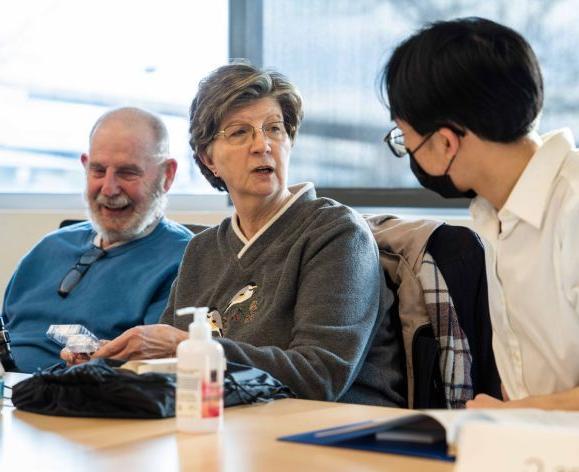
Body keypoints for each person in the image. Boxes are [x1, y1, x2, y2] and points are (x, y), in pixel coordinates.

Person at [87, 63, 406, 406]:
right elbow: (169, 368)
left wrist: (189, 347)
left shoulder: (338, 234)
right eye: (240, 132)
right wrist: (109, 363)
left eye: (274, 129)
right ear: (208, 159)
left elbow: (320, 376)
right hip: (235, 430)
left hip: (333, 437)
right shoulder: (201, 250)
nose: (262, 145)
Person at [380, 17, 579, 410]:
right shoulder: (496, 217)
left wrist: (509, 416)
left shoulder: (571, 206)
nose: (409, 153)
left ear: (445, 141)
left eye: (405, 138)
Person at [2, 107, 193, 372]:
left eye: (128, 172)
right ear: (84, 166)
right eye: (98, 170)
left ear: (167, 175)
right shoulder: (49, 248)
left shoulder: (186, 260)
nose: (109, 188)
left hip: (79, 401)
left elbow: (150, 373)